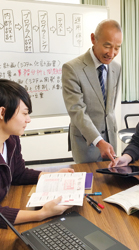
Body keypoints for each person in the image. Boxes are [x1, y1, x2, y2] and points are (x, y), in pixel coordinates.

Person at [0, 79, 74, 229]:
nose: (28, 120)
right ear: (2, 112)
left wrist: (51, 176)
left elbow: (18, 173)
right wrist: (41, 214)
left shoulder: (11, 139)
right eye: (24, 113)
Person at [62, 19, 123, 164]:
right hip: (86, 143)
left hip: (111, 141)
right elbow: (76, 110)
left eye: (117, 48)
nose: (112, 53)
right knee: (88, 183)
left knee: (111, 184)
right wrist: (98, 141)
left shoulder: (116, 68)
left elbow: (109, 109)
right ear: (93, 39)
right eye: (107, 46)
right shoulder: (72, 69)